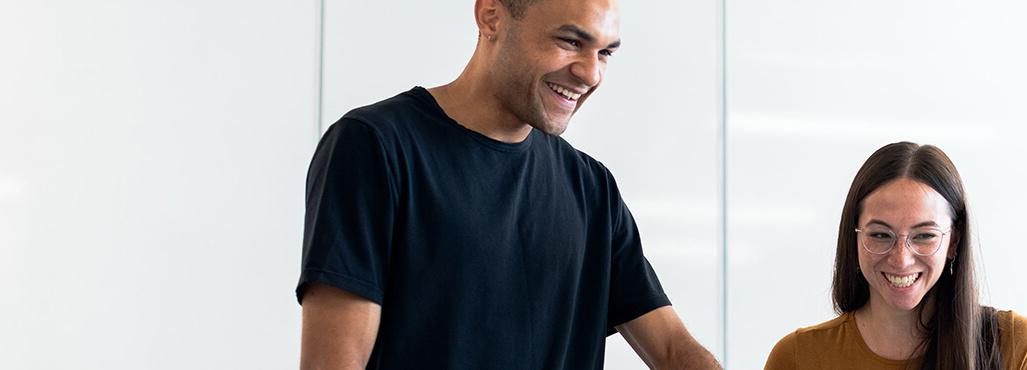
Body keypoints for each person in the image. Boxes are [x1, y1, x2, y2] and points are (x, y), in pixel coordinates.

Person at [295, 0, 720, 368]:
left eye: (605, 52)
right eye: (570, 41)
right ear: (491, 17)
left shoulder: (592, 190)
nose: (590, 73)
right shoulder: (376, 146)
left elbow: (670, 349)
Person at [764, 142, 1027, 370]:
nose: (901, 259)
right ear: (855, 238)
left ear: (953, 241)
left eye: (924, 236)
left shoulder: (1014, 346)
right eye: (881, 235)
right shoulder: (797, 358)